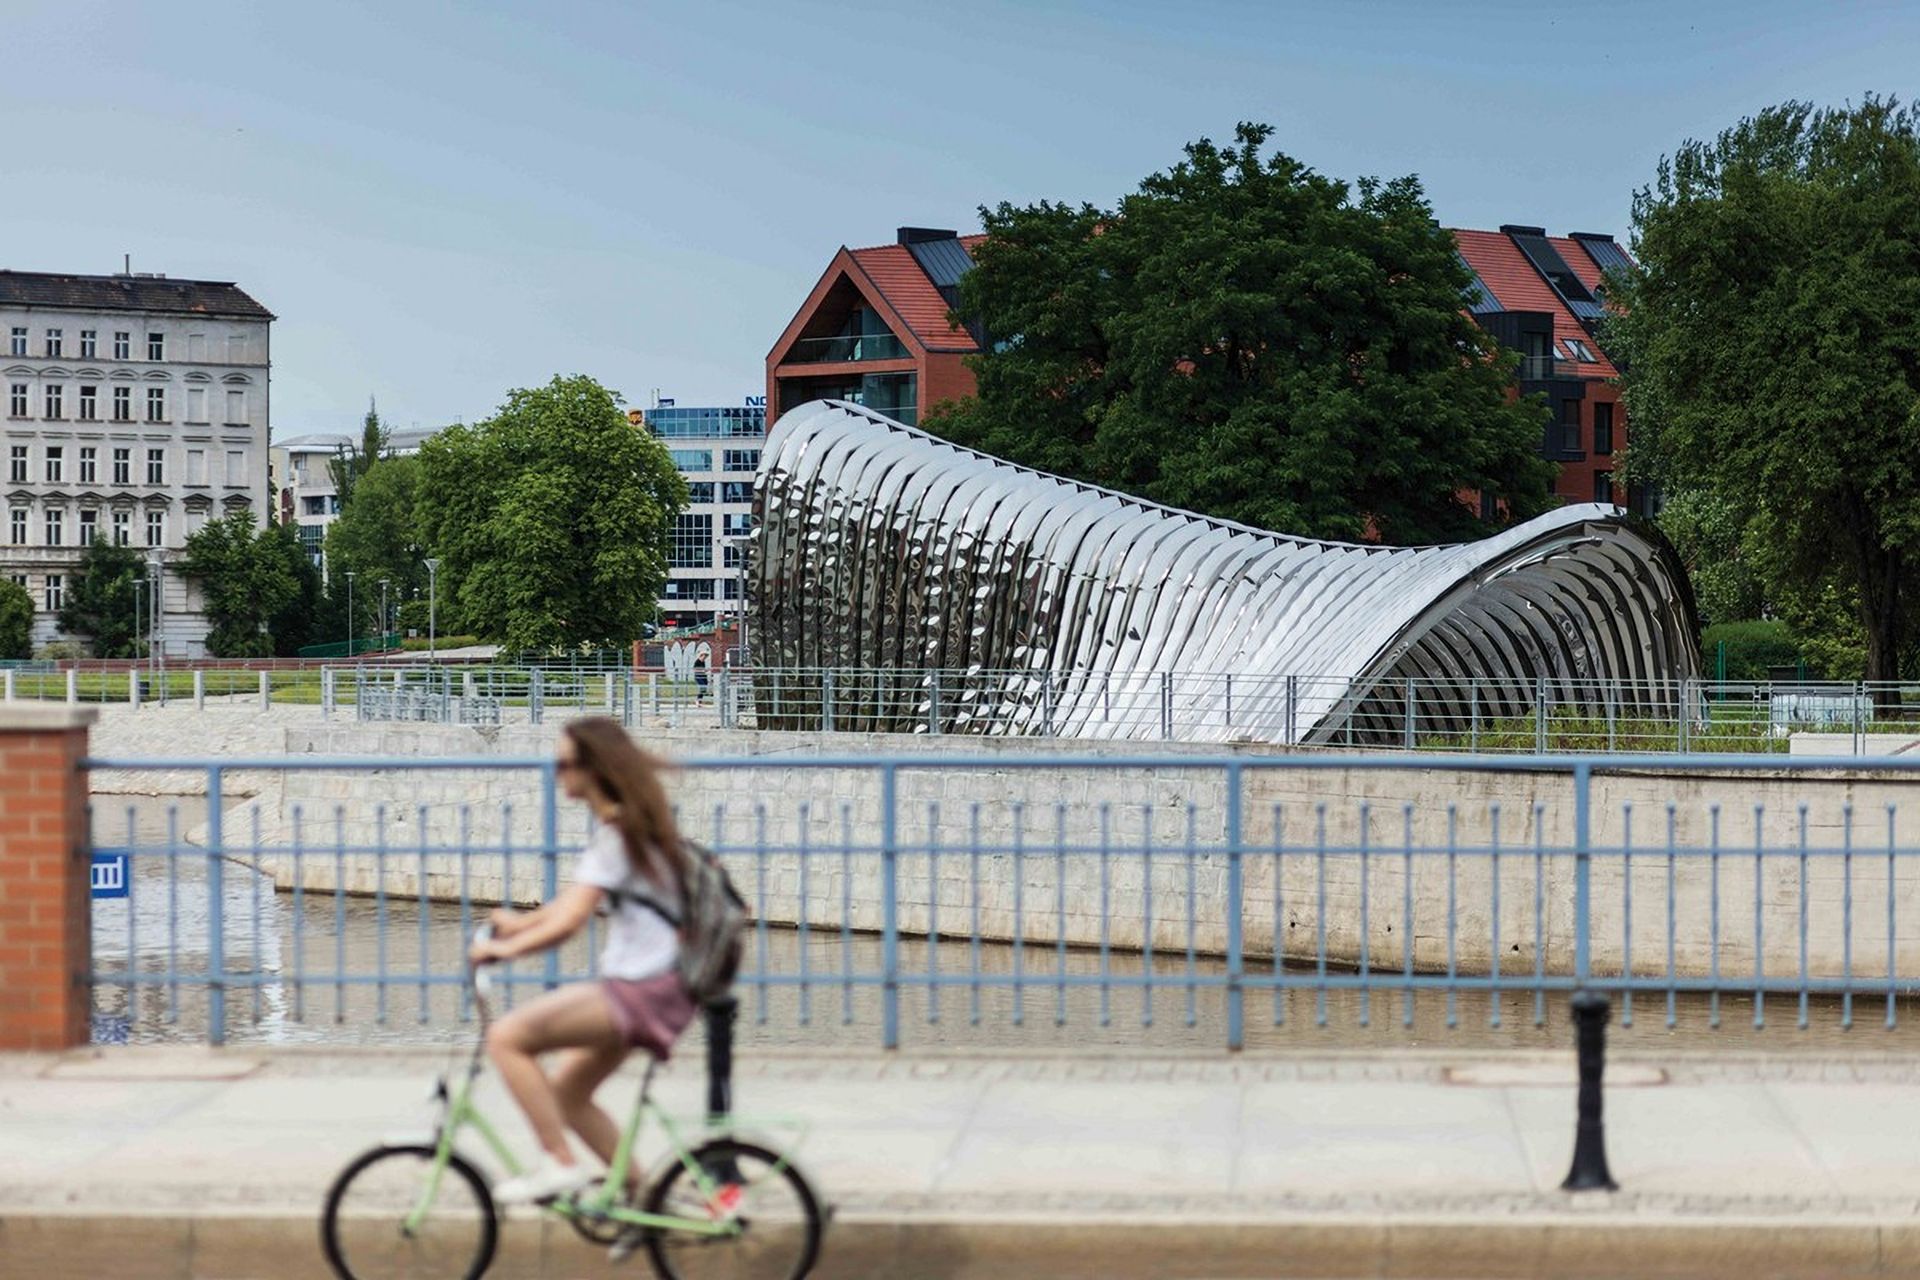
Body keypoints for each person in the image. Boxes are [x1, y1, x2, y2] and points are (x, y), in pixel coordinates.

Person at [468, 716, 695, 1204]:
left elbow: (570, 922)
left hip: (641, 991)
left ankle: (557, 1163)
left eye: (564, 765)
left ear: (593, 769)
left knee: (507, 1038)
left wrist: (501, 951)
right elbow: (573, 902)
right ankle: (643, 1198)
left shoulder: (618, 835)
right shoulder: (631, 827)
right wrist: (519, 924)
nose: (558, 775)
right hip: (663, 990)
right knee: (568, 1092)